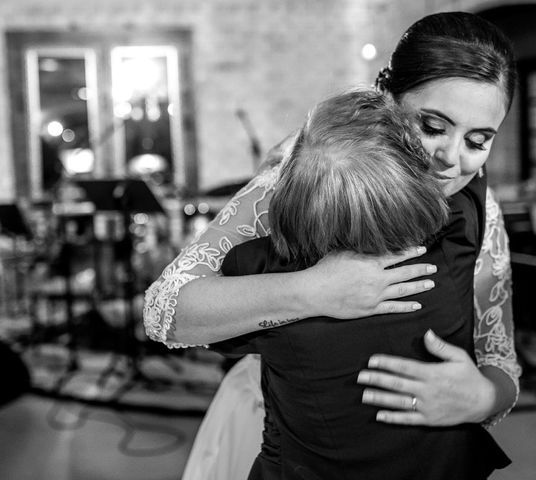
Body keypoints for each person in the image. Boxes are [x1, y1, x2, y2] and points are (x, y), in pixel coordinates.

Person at [143, 11, 521, 479]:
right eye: (433, 126)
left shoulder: (477, 208)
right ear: (387, 100)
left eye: (477, 140)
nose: (451, 159)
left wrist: (482, 396)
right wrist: (312, 291)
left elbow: (498, 355)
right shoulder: (299, 185)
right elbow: (166, 311)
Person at [212, 89, 509, 479]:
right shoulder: (453, 244)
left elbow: (217, 336)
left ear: (288, 193)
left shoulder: (256, 265)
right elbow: (467, 183)